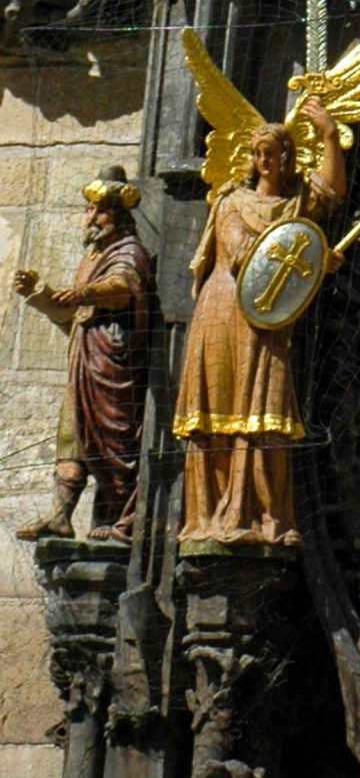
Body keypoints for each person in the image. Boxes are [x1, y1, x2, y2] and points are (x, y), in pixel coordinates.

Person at [171, 98, 342, 548]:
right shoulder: (231, 201)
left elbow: (330, 192)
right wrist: (313, 256)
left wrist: (328, 135)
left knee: (266, 413)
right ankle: (210, 516)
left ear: (286, 158)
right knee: (216, 409)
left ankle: (265, 516)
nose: (262, 161)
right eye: (256, 153)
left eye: (271, 153)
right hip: (224, 308)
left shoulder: (295, 203)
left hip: (267, 320)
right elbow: (247, 253)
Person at [14, 166, 155, 542]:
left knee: (116, 446)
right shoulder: (93, 257)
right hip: (83, 363)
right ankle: (61, 515)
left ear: (120, 214)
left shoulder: (129, 251)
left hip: (113, 366)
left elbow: (123, 289)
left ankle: (119, 515)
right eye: (89, 209)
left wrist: (85, 293)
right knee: (71, 438)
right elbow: (73, 317)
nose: (91, 217)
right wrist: (39, 295)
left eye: (101, 210)